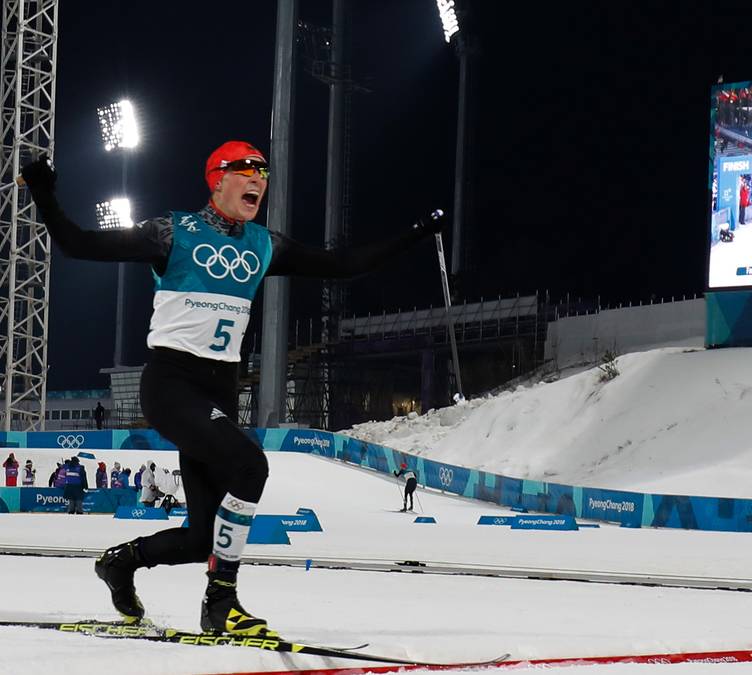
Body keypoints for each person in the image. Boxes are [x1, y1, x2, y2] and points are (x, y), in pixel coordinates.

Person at [21, 142, 443, 636]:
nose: (258, 179)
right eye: (245, 169)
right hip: (173, 384)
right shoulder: (173, 231)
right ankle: (221, 602)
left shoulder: (265, 243)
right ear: (216, 179)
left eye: (263, 172)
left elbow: (343, 265)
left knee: (202, 538)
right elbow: (79, 244)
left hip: (219, 390)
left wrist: (415, 234)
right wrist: (44, 193)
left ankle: (120, 564)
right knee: (250, 465)